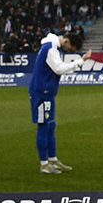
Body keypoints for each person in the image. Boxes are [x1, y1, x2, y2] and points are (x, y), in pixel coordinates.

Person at [28, 30, 83, 174]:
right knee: (44, 127)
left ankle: (52, 160)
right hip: (41, 93)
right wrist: (80, 61)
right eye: (70, 49)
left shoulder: (52, 47)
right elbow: (59, 69)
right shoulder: (50, 47)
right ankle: (44, 164)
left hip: (47, 93)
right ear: (66, 41)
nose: (68, 51)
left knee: (51, 126)